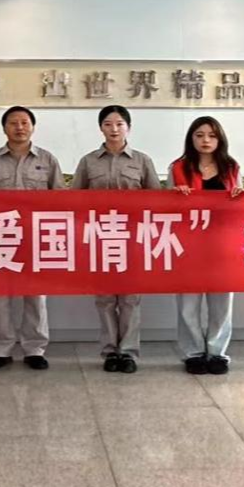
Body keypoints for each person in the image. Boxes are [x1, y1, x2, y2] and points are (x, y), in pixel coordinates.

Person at [0, 105, 66, 371]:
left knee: (35, 295)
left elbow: (60, 198)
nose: (19, 127)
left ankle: (34, 348)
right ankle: (0, 349)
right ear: (4, 128)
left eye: (24, 122)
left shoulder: (47, 160)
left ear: (33, 127)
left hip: (35, 236)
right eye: (13, 123)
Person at [73, 104, 160, 373]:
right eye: (108, 124)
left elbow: (156, 199)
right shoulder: (88, 161)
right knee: (105, 298)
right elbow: (74, 200)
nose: (114, 129)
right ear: (101, 128)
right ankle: (110, 351)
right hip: (100, 238)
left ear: (128, 128)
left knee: (130, 298)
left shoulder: (142, 161)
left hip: (132, 239)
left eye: (120, 124)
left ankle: (129, 352)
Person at [169, 115, 244, 375]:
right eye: (200, 135)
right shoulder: (178, 168)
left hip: (222, 244)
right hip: (188, 245)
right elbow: (166, 209)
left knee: (221, 303)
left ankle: (217, 353)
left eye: (212, 135)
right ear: (191, 138)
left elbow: (241, 208)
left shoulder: (231, 168)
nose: (206, 140)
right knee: (188, 304)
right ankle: (193, 353)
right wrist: (175, 198)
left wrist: (238, 197)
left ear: (220, 139)